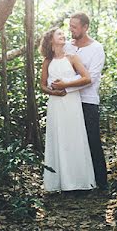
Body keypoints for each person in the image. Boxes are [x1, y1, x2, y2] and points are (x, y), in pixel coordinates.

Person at [53, 12, 108, 190]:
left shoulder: (96, 48)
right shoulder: (67, 46)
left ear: (85, 27)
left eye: (75, 27)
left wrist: (65, 86)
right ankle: (77, 181)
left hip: (87, 100)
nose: (71, 30)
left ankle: (101, 182)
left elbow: (90, 78)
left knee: (92, 140)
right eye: (70, 26)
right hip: (67, 101)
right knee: (73, 141)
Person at [40, 28, 96, 192]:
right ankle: (59, 182)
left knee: (74, 137)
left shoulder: (72, 58)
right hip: (56, 104)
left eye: (63, 34)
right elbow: (42, 85)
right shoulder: (47, 61)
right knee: (58, 138)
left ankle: (78, 182)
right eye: (59, 34)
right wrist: (54, 91)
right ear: (51, 40)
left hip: (71, 102)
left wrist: (65, 84)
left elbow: (87, 78)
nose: (63, 35)